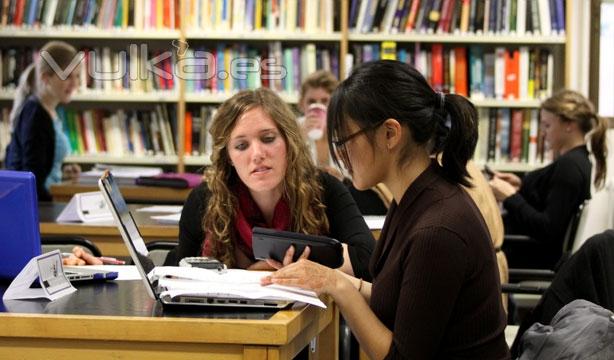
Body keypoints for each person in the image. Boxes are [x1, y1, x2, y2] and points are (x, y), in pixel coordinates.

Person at [262, 60, 510, 359]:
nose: (341, 155)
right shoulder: (414, 198)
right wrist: (322, 276)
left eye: (345, 141)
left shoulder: (437, 229)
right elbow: (392, 299)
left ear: (390, 134)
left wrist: (338, 285)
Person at [174, 87, 375, 279]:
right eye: (241, 145)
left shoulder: (324, 188)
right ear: (228, 157)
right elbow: (177, 275)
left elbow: (368, 260)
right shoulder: (205, 198)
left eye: (268, 139)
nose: (257, 155)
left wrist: (280, 267)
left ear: (289, 142)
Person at [489, 89, 608, 269]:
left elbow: (547, 228)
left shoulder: (570, 167)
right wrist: (521, 185)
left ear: (569, 125)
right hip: (522, 247)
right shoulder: (576, 161)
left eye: (547, 126)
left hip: (526, 252)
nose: (543, 133)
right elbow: (550, 195)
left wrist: (510, 197)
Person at [299, 70, 389, 215]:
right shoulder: (295, 131)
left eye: (324, 101)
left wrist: (342, 179)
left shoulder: (347, 132)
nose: (318, 106)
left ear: (335, 103)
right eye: (311, 102)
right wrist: (298, 138)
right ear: (301, 104)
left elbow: (364, 179)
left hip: (343, 201)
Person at [4, 41, 81, 202]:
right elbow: (32, 179)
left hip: (44, 203)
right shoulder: (36, 115)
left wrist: (60, 172)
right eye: (67, 76)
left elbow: (40, 164)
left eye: (77, 76)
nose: (75, 83)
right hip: (37, 209)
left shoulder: (50, 111)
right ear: (46, 78)